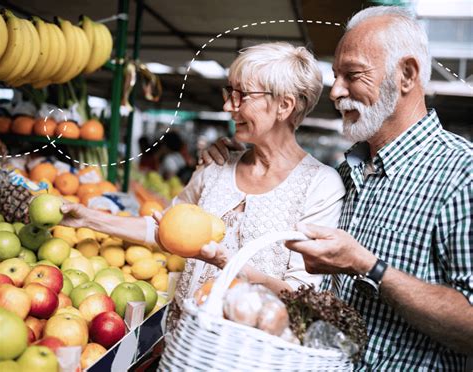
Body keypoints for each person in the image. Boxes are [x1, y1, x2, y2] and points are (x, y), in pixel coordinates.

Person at [200, 6, 472, 371]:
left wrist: (369, 268)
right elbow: (317, 300)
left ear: (406, 74)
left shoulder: (461, 172)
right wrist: (238, 158)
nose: (336, 92)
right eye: (335, 76)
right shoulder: (344, 175)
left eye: (353, 75)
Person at [60, 42, 346, 329]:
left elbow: (302, 296)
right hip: (184, 341)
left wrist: (226, 261)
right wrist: (87, 218)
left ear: (284, 105)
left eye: (242, 95)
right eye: (229, 92)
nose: (227, 106)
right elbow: (162, 229)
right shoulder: (217, 166)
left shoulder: (320, 186)